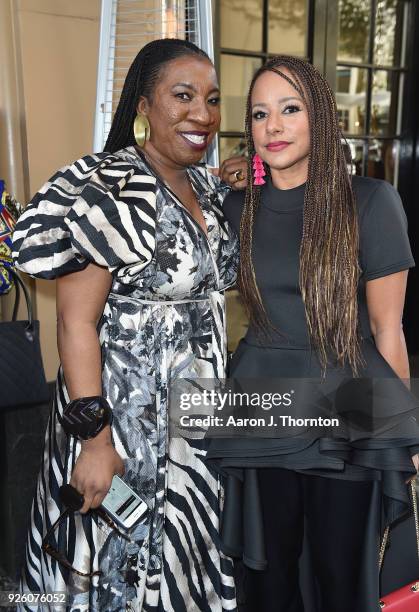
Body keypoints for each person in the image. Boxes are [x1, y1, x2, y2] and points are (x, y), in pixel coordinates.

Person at [12, 38, 246, 611]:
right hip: (122, 426)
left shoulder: (207, 187)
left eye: (213, 101)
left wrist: (255, 165)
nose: (203, 115)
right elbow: (74, 324)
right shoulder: (109, 189)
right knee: (117, 564)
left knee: (182, 556)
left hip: (193, 424)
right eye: (183, 96)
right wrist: (95, 441)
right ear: (143, 105)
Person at [206, 56, 419, 612]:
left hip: (345, 402)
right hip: (261, 399)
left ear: (319, 117)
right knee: (267, 575)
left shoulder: (371, 201)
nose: (272, 126)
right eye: (259, 114)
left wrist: (403, 434)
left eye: (289, 109)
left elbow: (386, 329)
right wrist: (231, 175)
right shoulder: (235, 208)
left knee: (338, 572)